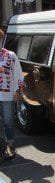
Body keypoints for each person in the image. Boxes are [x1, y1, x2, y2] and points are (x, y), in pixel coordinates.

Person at [0, 29, 24, 160]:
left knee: (8, 121)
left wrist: (17, 90)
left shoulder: (10, 55)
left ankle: (10, 145)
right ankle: (2, 146)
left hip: (6, 96)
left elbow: (18, 73)